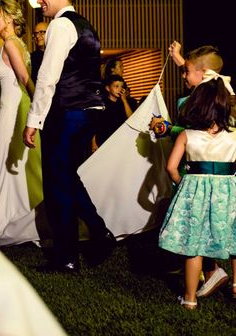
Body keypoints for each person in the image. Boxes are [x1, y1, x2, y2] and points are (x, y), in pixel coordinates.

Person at [23, 0, 114, 274]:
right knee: (67, 177)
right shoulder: (86, 26)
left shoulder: (60, 25)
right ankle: (98, 233)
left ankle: (67, 257)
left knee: (56, 184)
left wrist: (34, 120)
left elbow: (48, 77)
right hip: (90, 110)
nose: (40, 1)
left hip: (67, 111)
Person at [151, 42, 229, 298]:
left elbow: (199, 135)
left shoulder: (205, 100)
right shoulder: (221, 95)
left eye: (186, 71)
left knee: (198, 229)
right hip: (222, 180)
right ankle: (215, 274)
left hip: (198, 175)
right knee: (221, 226)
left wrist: (167, 129)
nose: (183, 74)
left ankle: (205, 278)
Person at [0, 0, 43, 245]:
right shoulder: (13, 43)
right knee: (7, 168)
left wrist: (40, 109)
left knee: (3, 166)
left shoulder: (10, 43)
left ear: (9, 18)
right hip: (10, 110)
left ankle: (5, 223)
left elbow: (24, 77)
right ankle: (12, 215)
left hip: (12, 113)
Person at [92, 74, 136, 151]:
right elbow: (94, 125)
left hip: (119, 142)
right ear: (108, 88)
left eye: (121, 87)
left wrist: (124, 100)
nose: (119, 89)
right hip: (103, 142)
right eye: (116, 86)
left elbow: (131, 118)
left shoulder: (123, 103)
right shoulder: (101, 104)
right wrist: (93, 143)